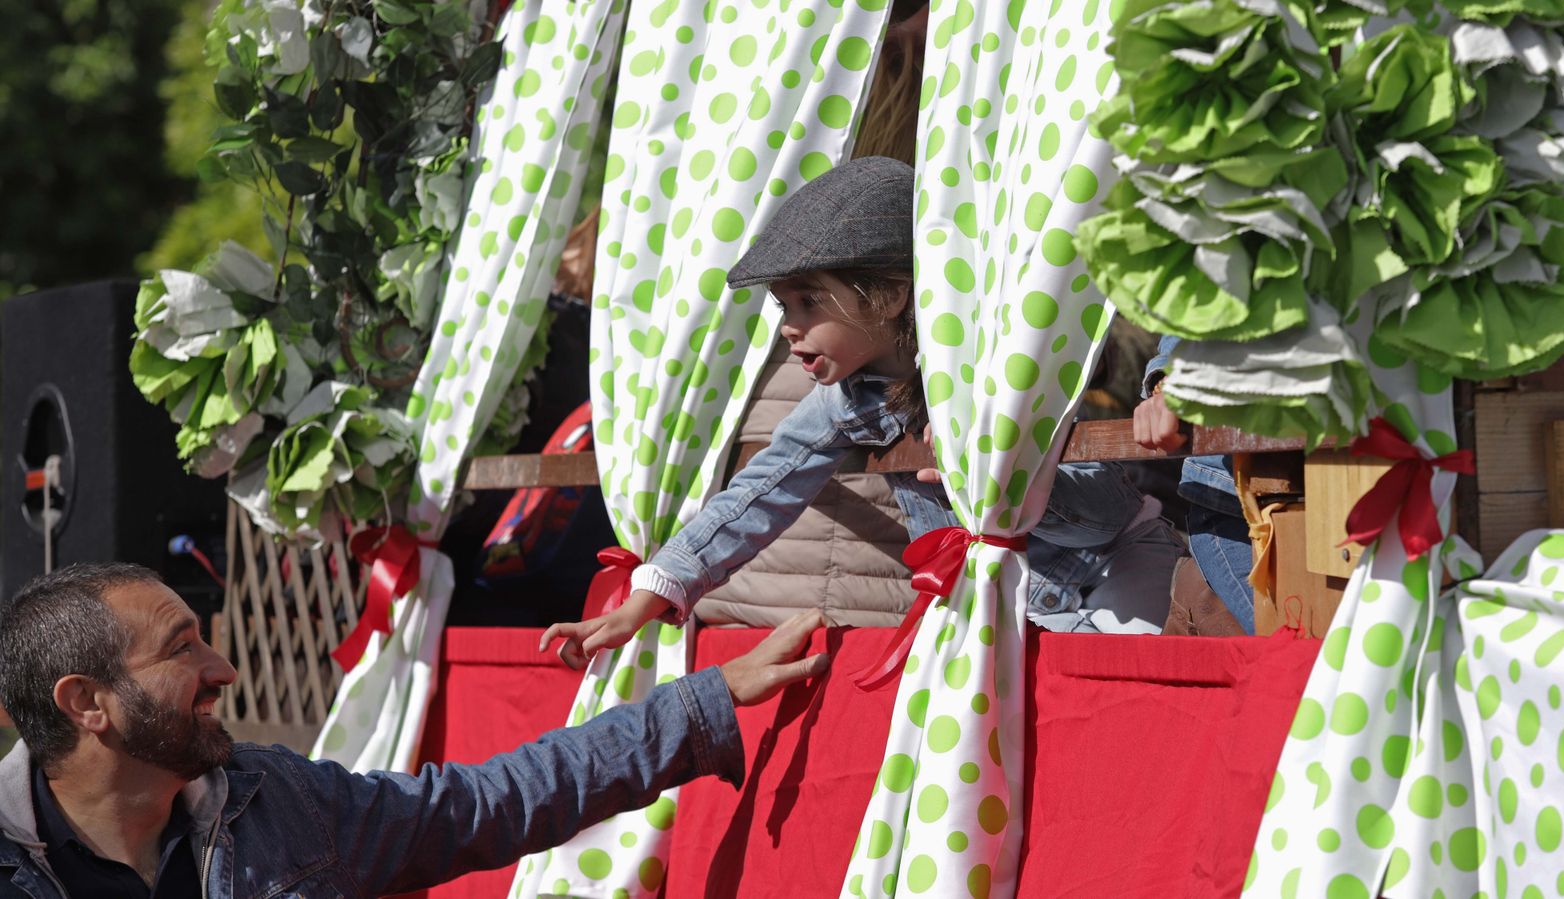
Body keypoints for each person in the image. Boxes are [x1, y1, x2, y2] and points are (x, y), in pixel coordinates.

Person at [543, 156, 1186, 667]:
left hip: (1119, 562)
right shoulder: (842, 402)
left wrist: (1001, 471)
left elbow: (1104, 516)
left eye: (809, 301)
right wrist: (651, 595)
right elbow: (758, 492)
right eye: (782, 307)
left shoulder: (997, 370)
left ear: (891, 294)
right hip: (1020, 603)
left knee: (1122, 708)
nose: (790, 328)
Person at [0, 562, 828, 898]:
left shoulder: (274, 799)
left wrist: (699, 700)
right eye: (182, 650)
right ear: (87, 703)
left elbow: (488, 801)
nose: (223, 669)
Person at [1132, 334, 1256, 634]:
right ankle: (1200, 592)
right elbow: (1202, 302)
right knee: (1313, 658)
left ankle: (1200, 591)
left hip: (1352, 485)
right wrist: (1171, 380)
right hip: (1241, 506)